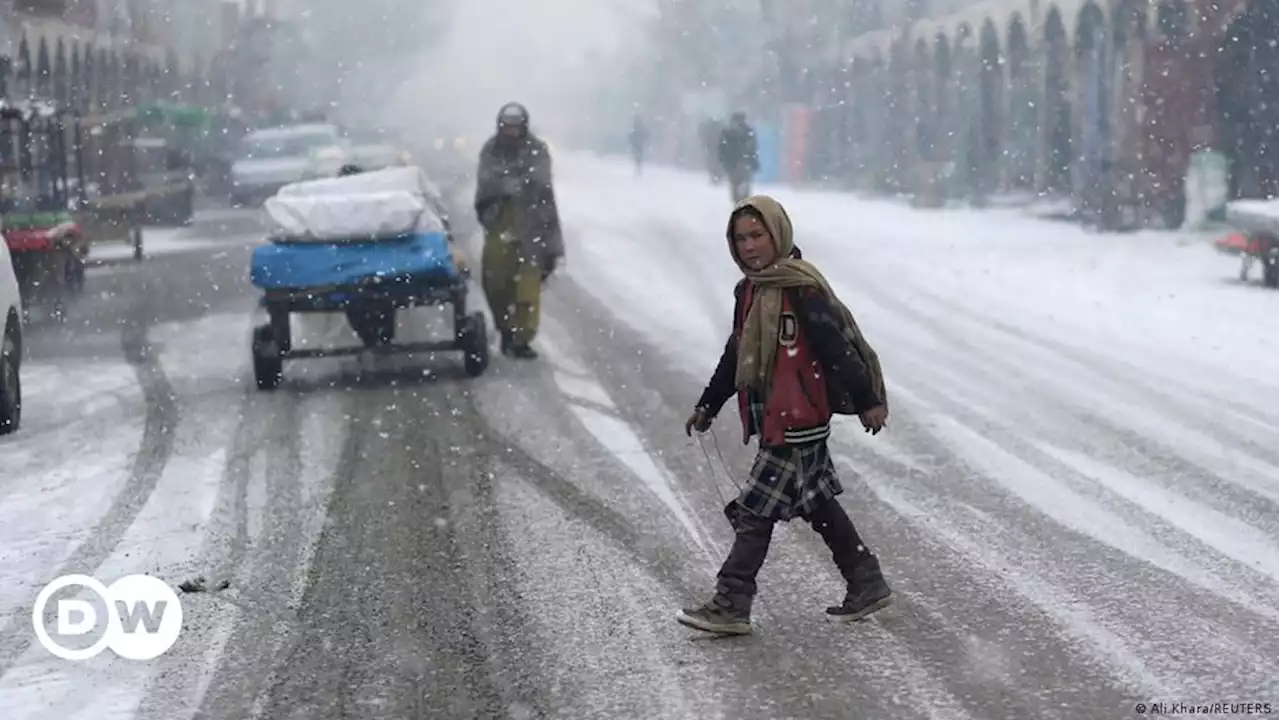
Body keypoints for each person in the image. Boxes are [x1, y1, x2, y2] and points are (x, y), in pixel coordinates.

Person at [678, 194, 892, 636]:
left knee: (755, 512)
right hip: (776, 414)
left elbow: (837, 349)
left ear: (778, 233)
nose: (749, 246)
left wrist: (868, 398)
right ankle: (866, 579)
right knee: (817, 503)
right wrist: (707, 405)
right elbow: (736, 354)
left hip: (798, 416)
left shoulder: (800, 288)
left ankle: (732, 601)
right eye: (740, 239)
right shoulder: (751, 290)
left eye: (757, 235)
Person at [473, 102, 564, 359]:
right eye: (507, 127)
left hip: (531, 225)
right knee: (497, 284)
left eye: (516, 128)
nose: (511, 132)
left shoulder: (536, 149)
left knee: (527, 288)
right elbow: (485, 183)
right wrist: (502, 188)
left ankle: (522, 339)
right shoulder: (491, 150)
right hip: (500, 222)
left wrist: (524, 184)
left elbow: (542, 182)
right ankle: (506, 331)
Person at [718, 112, 759, 204]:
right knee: (743, 184)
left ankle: (738, 202)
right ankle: (743, 201)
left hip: (734, 163)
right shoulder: (748, 131)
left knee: (736, 185)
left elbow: (722, 149)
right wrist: (753, 161)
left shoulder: (728, 132)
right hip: (743, 162)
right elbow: (752, 148)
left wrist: (724, 161)